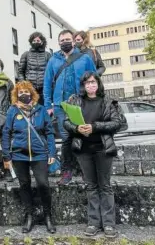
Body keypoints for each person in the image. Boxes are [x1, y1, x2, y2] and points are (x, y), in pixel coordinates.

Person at [63, 72, 122, 238]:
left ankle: (109, 224)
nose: (90, 85)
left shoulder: (107, 101)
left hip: (103, 149)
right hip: (83, 150)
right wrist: (77, 128)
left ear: (98, 84)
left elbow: (117, 123)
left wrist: (95, 127)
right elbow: (66, 122)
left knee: (105, 186)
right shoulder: (76, 101)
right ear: (83, 86)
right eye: (87, 83)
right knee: (91, 186)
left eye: (93, 82)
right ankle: (94, 222)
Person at [1, 81, 56, 234]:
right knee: (24, 185)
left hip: (39, 153)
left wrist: (52, 152)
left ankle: (48, 216)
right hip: (19, 154)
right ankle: (29, 215)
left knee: (43, 184)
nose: (23, 94)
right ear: (16, 95)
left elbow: (49, 132)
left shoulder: (41, 109)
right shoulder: (13, 111)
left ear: (32, 93)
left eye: (26, 91)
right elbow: (6, 133)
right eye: (20, 92)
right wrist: (7, 156)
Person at [43, 29, 97, 185]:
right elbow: (47, 84)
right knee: (66, 140)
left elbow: (94, 80)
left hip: (81, 104)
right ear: (58, 43)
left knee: (83, 137)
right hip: (61, 106)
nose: (65, 42)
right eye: (62, 41)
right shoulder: (53, 60)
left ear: (73, 41)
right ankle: (67, 172)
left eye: (67, 40)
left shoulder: (85, 58)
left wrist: (94, 99)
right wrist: (48, 105)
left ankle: (85, 171)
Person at [18, 32, 52, 105]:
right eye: (34, 41)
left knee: (43, 111)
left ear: (42, 42)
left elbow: (51, 73)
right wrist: (24, 85)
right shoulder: (26, 54)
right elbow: (20, 71)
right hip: (29, 89)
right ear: (31, 42)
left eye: (38, 41)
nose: (36, 42)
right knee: (30, 110)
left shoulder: (48, 55)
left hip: (44, 89)